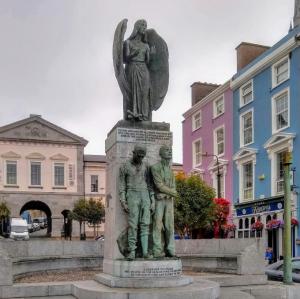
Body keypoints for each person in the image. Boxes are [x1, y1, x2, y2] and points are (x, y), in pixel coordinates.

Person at [119, 145, 155, 260]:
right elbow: (122, 185)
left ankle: (145, 252)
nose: (140, 158)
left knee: (145, 224)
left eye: (142, 156)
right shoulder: (124, 166)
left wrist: (152, 200)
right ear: (133, 153)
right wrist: (123, 201)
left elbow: (150, 185)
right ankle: (132, 251)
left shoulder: (146, 166)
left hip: (145, 195)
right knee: (133, 225)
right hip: (132, 194)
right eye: (138, 155)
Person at [151, 145, 177, 258]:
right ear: (161, 154)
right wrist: (172, 193)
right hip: (159, 201)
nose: (169, 152)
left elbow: (173, 187)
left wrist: (166, 194)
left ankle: (170, 249)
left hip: (168, 200)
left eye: (170, 150)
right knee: (157, 225)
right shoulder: (155, 168)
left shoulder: (171, 171)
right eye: (167, 150)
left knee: (169, 225)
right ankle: (157, 249)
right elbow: (159, 185)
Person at [123, 19, 151, 121]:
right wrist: (133, 54)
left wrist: (150, 53)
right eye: (143, 25)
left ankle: (144, 115)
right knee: (133, 91)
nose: (144, 28)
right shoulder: (128, 42)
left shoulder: (146, 45)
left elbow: (148, 61)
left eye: (146, 26)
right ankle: (133, 113)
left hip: (144, 69)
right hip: (132, 68)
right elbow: (125, 58)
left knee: (144, 93)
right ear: (137, 27)